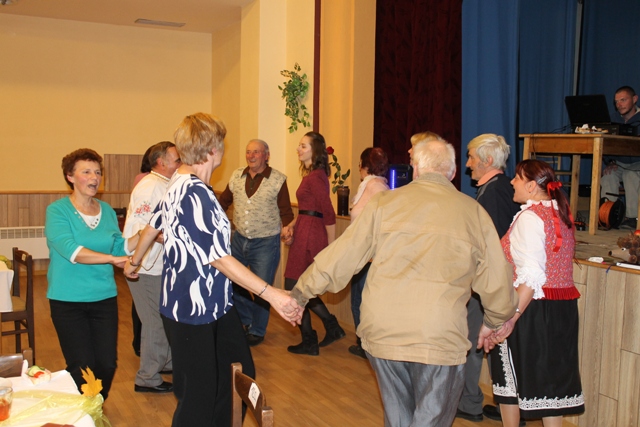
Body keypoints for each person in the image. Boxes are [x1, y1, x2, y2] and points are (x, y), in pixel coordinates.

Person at [289, 132, 518, 426]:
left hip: (384, 333)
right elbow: (497, 279)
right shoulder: (474, 213)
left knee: (398, 418)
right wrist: (496, 321)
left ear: (417, 170)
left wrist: (300, 294)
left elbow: (340, 258)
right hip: (439, 337)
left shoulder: (383, 204)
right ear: (451, 173)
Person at [124, 113, 300, 427]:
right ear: (213, 150)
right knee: (198, 397)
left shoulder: (179, 183)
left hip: (215, 305)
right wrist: (273, 295)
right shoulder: (194, 193)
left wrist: (134, 261)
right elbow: (218, 257)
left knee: (238, 371)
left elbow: (153, 224)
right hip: (191, 310)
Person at [490, 159, 584, 427]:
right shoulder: (560, 214)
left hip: (531, 308)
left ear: (531, 186)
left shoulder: (531, 218)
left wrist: (511, 317)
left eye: (517, 178)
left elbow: (532, 274)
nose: (512, 182)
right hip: (561, 309)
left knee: (512, 381)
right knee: (549, 387)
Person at [45, 148, 139, 399]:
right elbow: (72, 251)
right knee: (81, 366)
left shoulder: (106, 210)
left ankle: (94, 407)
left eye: (97, 172)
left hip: (103, 298)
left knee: (107, 364)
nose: (94, 177)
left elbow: (118, 246)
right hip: (67, 300)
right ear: (70, 177)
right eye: (86, 172)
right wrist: (112, 259)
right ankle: (85, 413)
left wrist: (144, 235)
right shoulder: (57, 211)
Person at [457, 134, 521, 423]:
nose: (468, 164)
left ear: (488, 160)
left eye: (471, 157)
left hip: (489, 283)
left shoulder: (493, 192)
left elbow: (491, 245)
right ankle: (509, 405)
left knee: (473, 341)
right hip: (498, 281)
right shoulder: (502, 188)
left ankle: (470, 403)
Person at [218, 139, 294, 346]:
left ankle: (257, 330)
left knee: (262, 289)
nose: (251, 156)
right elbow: (223, 202)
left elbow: (286, 211)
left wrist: (288, 228)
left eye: (256, 152)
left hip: (265, 243)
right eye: (248, 152)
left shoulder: (278, 179)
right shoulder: (236, 175)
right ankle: (246, 320)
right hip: (238, 239)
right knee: (232, 282)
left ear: (266, 155)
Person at [124, 141, 181, 394]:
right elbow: (142, 228)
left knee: (162, 319)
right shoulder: (150, 187)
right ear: (161, 162)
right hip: (145, 268)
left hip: (158, 266)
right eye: (176, 160)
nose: (180, 164)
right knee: (154, 322)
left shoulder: (163, 184)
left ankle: (164, 362)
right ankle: (147, 377)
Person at [281, 131, 345, 356]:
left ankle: (314, 337)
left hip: (312, 234)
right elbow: (307, 210)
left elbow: (328, 211)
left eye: (303, 146)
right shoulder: (312, 175)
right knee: (301, 287)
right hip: (305, 230)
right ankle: (329, 328)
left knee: (295, 286)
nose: (298, 149)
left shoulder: (316, 176)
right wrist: (292, 226)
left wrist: (331, 246)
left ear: (315, 150)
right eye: (299, 145)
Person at [347, 147, 389, 359]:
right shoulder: (371, 185)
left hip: (370, 256)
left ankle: (367, 345)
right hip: (362, 254)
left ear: (364, 165)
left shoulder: (376, 187)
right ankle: (363, 343)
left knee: (361, 303)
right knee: (358, 300)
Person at [600, 86, 640, 228]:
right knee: (608, 176)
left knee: (630, 175)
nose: (619, 105)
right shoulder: (612, 120)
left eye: (623, 100)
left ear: (634, 99)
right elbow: (606, 144)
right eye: (616, 101)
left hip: (638, 164)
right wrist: (610, 161)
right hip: (620, 163)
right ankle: (607, 215)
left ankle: (633, 217)